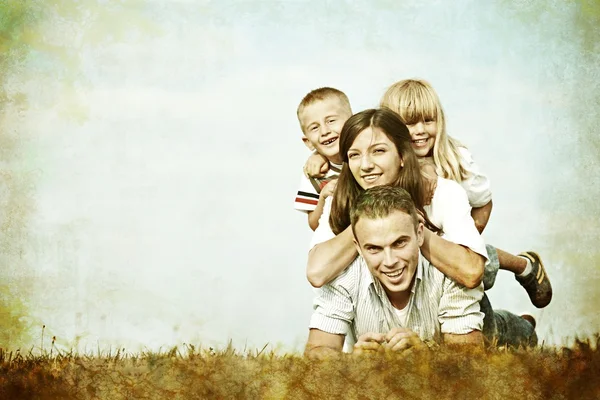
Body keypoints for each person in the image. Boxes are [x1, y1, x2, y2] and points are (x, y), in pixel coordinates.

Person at [307, 108, 536, 348]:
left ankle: (524, 324)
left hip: (459, 308)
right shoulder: (340, 200)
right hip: (390, 312)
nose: (365, 165)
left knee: (496, 331)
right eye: (354, 155)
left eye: (379, 151)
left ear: (403, 156)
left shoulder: (443, 192)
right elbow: (317, 272)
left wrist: (415, 227)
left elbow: (471, 272)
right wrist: (367, 224)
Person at [304, 185, 536, 358]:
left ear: (420, 234)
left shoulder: (448, 271)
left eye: (399, 243)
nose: (390, 261)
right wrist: (352, 363)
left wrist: (426, 355)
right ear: (357, 246)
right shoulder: (342, 276)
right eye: (374, 248)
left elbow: (469, 360)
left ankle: (525, 324)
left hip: (485, 324)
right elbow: (316, 351)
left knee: (501, 335)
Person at [379, 79, 551, 308]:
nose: (420, 130)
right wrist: (320, 157)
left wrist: (466, 240)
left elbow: (484, 202)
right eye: (410, 124)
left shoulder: (454, 159)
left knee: (480, 274)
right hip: (413, 253)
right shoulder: (383, 161)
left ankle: (524, 270)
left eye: (428, 121)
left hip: (451, 250)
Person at [293, 87, 352, 231]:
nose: (325, 131)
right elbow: (314, 225)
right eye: (314, 128)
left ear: (352, 121)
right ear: (308, 142)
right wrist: (323, 197)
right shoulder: (313, 175)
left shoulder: (369, 155)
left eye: (331, 121)